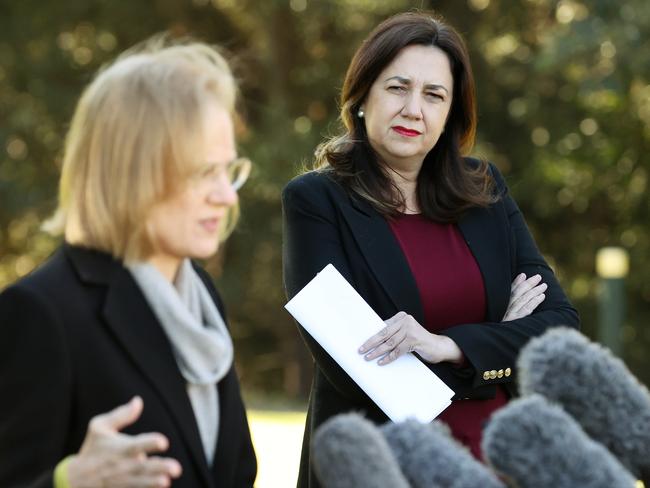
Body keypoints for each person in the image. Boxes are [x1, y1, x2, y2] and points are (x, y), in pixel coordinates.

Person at [282, 11, 579, 487]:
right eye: (397, 88)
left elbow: (559, 324)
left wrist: (448, 346)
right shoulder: (316, 200)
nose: (413, 109)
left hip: (501, 461)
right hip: (383, 463)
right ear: (362, 97)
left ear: (450, 114)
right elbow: (354, 368)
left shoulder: (485, 190)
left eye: (434, 95)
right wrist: (495, 342)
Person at [0, 39, 257, 488]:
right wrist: (68, 482)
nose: (226, 196)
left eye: (228, 170)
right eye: (203, 173)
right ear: (133, 172)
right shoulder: (40, 313)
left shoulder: (200, 295)